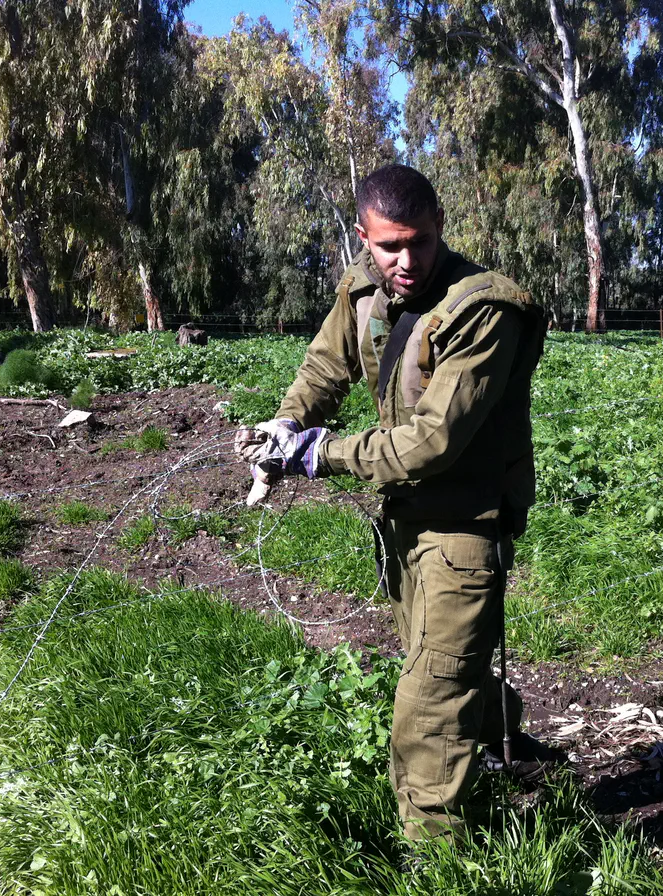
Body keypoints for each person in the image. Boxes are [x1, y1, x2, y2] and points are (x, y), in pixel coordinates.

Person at [235, 164, 555, 844]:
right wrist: (287, 423)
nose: (406, 262)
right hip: (403, 520)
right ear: (364, 238)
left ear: (440, 226)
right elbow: (325, 367)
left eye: (420, 243)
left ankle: (438, 859)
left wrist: (320, 454)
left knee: (429, 704)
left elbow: (432, 440)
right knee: (438, 660)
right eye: (389, 247)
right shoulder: (363, 290)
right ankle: (509, 743)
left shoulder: (483, 310)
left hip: (464, 526)